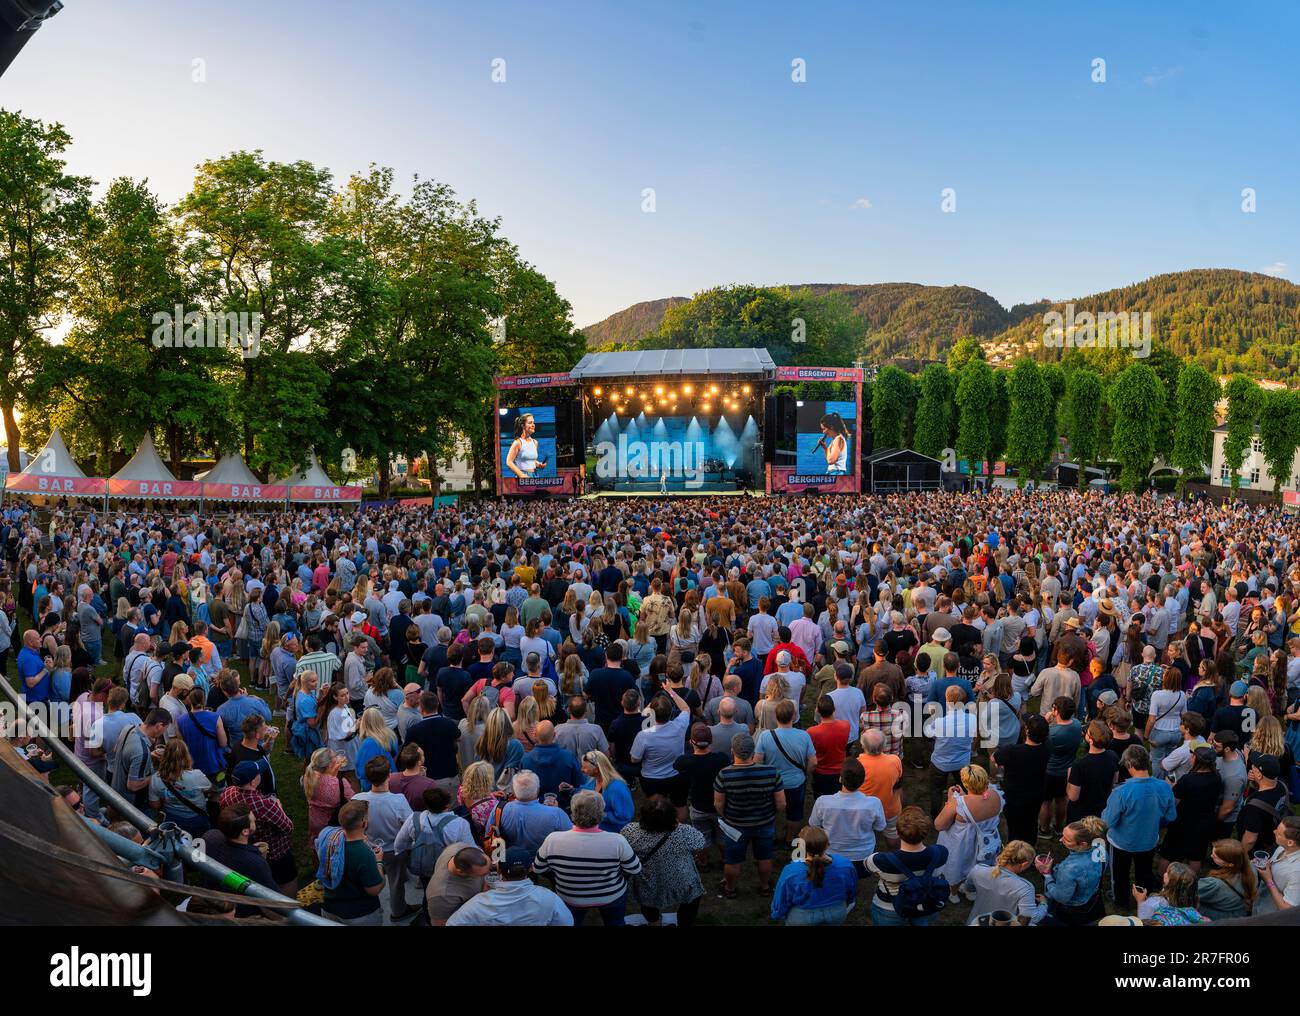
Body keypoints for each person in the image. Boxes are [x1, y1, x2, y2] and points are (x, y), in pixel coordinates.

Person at [534, 790, 642, 925]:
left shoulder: (553, 839)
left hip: (570, 896)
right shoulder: (617, 840)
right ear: (601, 813)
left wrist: (559, 875)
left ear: (572, 812)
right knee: (615, 922)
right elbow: (635, 869)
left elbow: (538, 869)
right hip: (611, 895)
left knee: (572, 923)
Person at [1101, 745, 1178, 910]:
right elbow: (1171, 816)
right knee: (1144, 872)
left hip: (1121, 842)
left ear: (1129, 764)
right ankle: (1143, 898)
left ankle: (1119, 899)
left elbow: (1107, 821)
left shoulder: (1121, 792)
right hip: (1149, 840)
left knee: (1119, 875)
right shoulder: (1164, 787)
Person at [714, 732, 784, 900]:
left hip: (735, 825)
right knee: (765, 856)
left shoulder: (724, 774)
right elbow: (782, 804)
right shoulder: (771, 772)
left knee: (732, 860)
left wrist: (727, 817)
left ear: (733, 751)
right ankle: (765, 887)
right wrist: (771, 814)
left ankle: (730, 889)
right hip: (765, 822)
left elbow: (718, 804)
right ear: (753, 751)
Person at [621, 794, 707, 926]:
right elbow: (701, 842)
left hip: (647, 880)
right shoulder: (683, 832)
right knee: (691, 900)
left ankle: (654, 922)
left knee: (647, 901)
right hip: (681, 880)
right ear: (672, 815)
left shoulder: (630, 831)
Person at [354, 755, 417, 921]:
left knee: (366, 880)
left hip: (368, 850)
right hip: (394, 850)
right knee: (396, 883)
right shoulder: (398, 801)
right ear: (389, 775)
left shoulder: (357, 799)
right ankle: (398, 911)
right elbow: (411, 824)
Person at [221, 760, 297, 894]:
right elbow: (288, 827)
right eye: (258, 773)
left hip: (246, 848)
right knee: (288, 881)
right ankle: (289, 912)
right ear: (253, 782)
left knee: (262, 887)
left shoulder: (228, 792)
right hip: (274, 852)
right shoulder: (263, 804)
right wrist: (278, 806)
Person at [865, 806, 949, 927]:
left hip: (889, 908)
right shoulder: (941, 853)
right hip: (926, 904)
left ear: (898, 833)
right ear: (925, 832)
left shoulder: (881, 861)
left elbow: (866, 865)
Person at [445, 847, 572, 926]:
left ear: (498, 869)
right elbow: (567, 922)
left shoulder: (478, 904)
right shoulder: (550, 899)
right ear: (531, 869)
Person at [934, 763, 1003, 902]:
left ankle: (953, 893)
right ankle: (970, 890)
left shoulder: (958, 803)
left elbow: (939, 825)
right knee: (977, 866)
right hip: (986, 842)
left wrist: (950, 799)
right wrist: (964, 796)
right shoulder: (995, 794)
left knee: (957, 866)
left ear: (965, 783)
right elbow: (979, 802)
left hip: (963, 844)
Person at [200, 804, 278, 918]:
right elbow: (274, 900)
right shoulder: (255, 864)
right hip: (241, 914)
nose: (255, 820)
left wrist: (251, 850)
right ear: (245, 831)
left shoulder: (209, 837)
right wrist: (254, 857)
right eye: (253, 821)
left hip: (213, 902)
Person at [770, 825, 858, 925]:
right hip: (836, 913)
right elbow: (852, 890)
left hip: (802, 918)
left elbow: (782, 897)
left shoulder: (791, 872)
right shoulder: (845, 865)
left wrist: (776, 914)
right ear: (828, 844)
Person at [755, 699, 815, 840]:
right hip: (796, 782)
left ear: (776, 717)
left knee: (771, 811)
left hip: (772, 783)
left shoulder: (765, 736)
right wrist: (805, 773)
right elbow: (813, 761)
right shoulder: (804, 735)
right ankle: (789, 839)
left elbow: (757, 761)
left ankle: (773, 836)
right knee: (794, 813)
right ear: (793, 716)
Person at [1159, 746, 1223, 872]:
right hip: (1204, 823)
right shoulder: (1216, 777)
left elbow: (1174, 803)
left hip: (1182, 822)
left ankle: (1160, 878)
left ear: (1196, 759)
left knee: (1168, 854)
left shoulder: (1187, 780)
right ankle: (1191, 882)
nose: (1190, 757)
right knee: (1196, 856)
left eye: (1192, 755)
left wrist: (1172, 788)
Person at [1036, 816, 1108, 925]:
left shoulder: (1070, 868)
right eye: (1063, 836)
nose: (1060, 840)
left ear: (1083, 844)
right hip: (1092, 898)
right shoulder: (1100, 847)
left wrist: (1046, 874)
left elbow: (1061, 897)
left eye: (1067, 839)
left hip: (1073, 910)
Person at [964, 840, 1044, 926]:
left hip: (977, 922)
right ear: (1024, 864)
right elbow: (1032, 918)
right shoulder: (1025, 888)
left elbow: (968, 888)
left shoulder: (978, 870)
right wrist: (1043, 904)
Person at [928, 684, 977, 818]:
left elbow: (928, 733)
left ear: (947, 701)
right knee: (964, 788)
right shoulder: (972, 719)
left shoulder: (940, 722)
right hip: (961, 762)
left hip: (940, 762)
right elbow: (973, 735)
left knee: (936, 790)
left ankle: (936, 817)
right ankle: (964, 813)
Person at [499, 770, 571, 859]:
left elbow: (491, 837)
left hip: (510, 864)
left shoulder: (499, 809)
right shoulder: (556, 813)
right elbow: (571, 840)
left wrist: (499, 861)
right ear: (538, 789)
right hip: (544, 864)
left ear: (513, 790)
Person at [148, 739, 211, 837]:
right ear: (187, 756)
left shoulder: (155, 778)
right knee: (199, 844)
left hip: (172, 819)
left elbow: (155, 805)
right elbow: (208, 788)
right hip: (197, 818)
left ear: (165, 756)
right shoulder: (196, 775)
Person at [1041, 696, 1082, 838]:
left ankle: (1044, 830)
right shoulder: (1077, 725)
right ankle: (1059, 827)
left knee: (1045, 801)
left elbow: (1039, 742)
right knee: (1061, 800)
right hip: (1067, 770)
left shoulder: (1052, 733)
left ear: (1056, 711)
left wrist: (1045, 722)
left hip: (1049, 771)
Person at [1065, 719, 1119, 824]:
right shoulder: (1113, 756)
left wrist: (1069, 778)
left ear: (1090, 740)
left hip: (1081, 815)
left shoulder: (1079, 765)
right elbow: (1114, 782)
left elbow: (1073, 796)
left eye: (1088, 732)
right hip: (1101, 809)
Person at [858, 727, 903, 850]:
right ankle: (894, 856)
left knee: (864, 832)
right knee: (893, 834)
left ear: (863, 746)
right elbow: (898, 783)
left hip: (866, 809)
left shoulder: (857, 764)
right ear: (884, 745)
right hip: (890, 807)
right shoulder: (895, 760)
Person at [425, 843, 491, 926]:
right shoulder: (442, 895)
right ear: (461, 872)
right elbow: (441, 923)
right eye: (481, 875)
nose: (488, 873)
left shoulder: (461, 847)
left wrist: (483, 885)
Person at [1196, 839, 1258, 920]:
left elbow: (1190, 893)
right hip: (1240, 911)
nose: (1211, 856)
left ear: (1230, 864)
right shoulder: (1252, 868)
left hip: (1220, 916)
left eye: (1215, 856)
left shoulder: (1214, 884)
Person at [1134, 862, 1209, 925]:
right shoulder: (1191, 898)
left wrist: (1140, 901)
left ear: (1171, 883)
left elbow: (1143, 922)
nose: (1165, 873)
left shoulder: (1155, 902)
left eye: (1167, 872)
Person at [1256, 815, 1300, 914]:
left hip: (1270, 915)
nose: (1274, 832)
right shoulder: (1283, 847)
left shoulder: (1297, 873)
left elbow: (1287, 908)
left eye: (1279, 833)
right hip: (1262, 900)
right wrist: (1266, 865)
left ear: (1290, 842)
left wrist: (1268, 880)